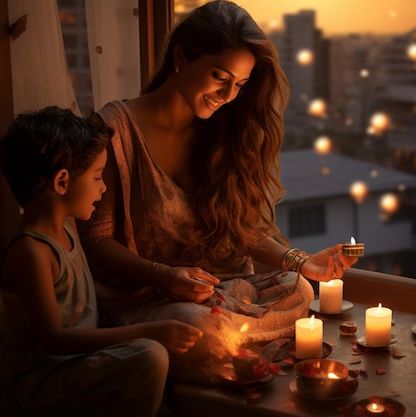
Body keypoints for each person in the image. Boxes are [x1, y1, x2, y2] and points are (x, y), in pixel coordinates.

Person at [77, 0, 357, 385]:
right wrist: (163, 277)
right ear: (181, 57)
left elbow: (242, 229)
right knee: (200, 329)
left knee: (297, 289)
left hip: (222, 290)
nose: (228, 94)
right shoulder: (115, 130)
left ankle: (232, 345)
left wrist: (300, 262)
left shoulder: (223, 130)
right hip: (149, 300)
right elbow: (95, 240)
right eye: (219, 76)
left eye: (240, 85)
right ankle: (231, 345)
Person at [0, 106, 203, 416]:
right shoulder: (32, 251)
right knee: (149, 355)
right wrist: (149, 331)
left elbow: (74, 293)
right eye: (97, 177)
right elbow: (54, 338)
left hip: (77, 362)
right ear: (62, 182)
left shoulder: (66, 227)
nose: (103, 187)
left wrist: (142, 293)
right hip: (43, 379)